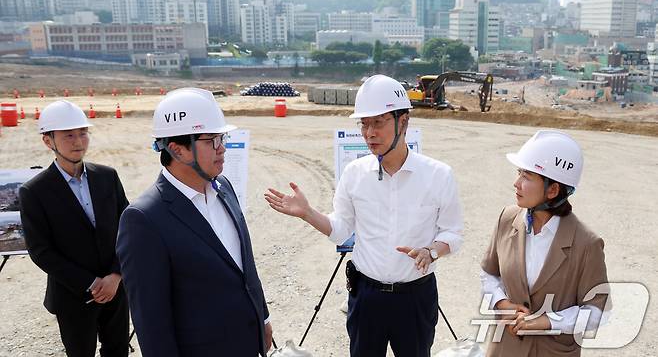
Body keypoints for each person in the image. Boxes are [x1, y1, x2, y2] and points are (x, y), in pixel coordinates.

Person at [265, 75, 463, 357]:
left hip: (416, 297)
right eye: (364, 124)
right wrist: (308, 213)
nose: (369, 133)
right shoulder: (355, 174)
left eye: (378, 122)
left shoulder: (438, 175)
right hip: (367, 297)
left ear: (403, 122)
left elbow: (452, 233)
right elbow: (342, 229)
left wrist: (431, 252)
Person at [116, 88, 272, 357]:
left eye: (222, 138)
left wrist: (263, 319)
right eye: (211, 140)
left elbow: (244, 265)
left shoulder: (223, 187)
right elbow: (151, 322)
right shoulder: (143, 219)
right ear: (177, 149)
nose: (222, 148)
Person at [480, 130, 610, 357]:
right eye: (519, 172)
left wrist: (547, 321)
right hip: (504, 349)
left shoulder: (587, 244)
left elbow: (597, 312)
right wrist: (501, 303)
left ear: (553, 189)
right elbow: (489, 274)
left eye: (527, 176)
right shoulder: (507, 219)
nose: (516, 183)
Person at [19, 100, 130, 357]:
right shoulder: (35, 191)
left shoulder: (107, 176)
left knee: (118, 351)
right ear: (48, 141)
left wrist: (115, 276)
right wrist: (91, 283)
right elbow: (40, 251)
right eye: (68, 135)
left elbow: (128, 229)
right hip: (73, 295)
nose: (78, 141)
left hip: (115, 289)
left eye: (83, 133)